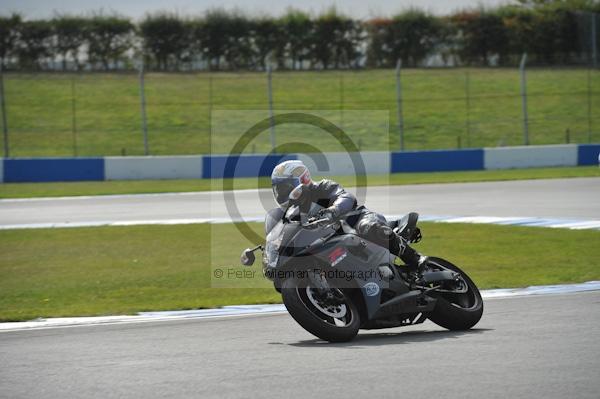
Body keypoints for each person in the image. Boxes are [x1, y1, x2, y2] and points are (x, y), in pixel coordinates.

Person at [270, 159, 425, 270]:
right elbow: (287, 231)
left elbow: (346, 197)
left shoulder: (322, 187)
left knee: (369, 226)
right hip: (328, 241)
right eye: (278, 190)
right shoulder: (292, 212)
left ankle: (415, 258)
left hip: (355, 220)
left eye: (284, 188)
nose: (281, 193)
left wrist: (333, 211)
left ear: (300, 179)